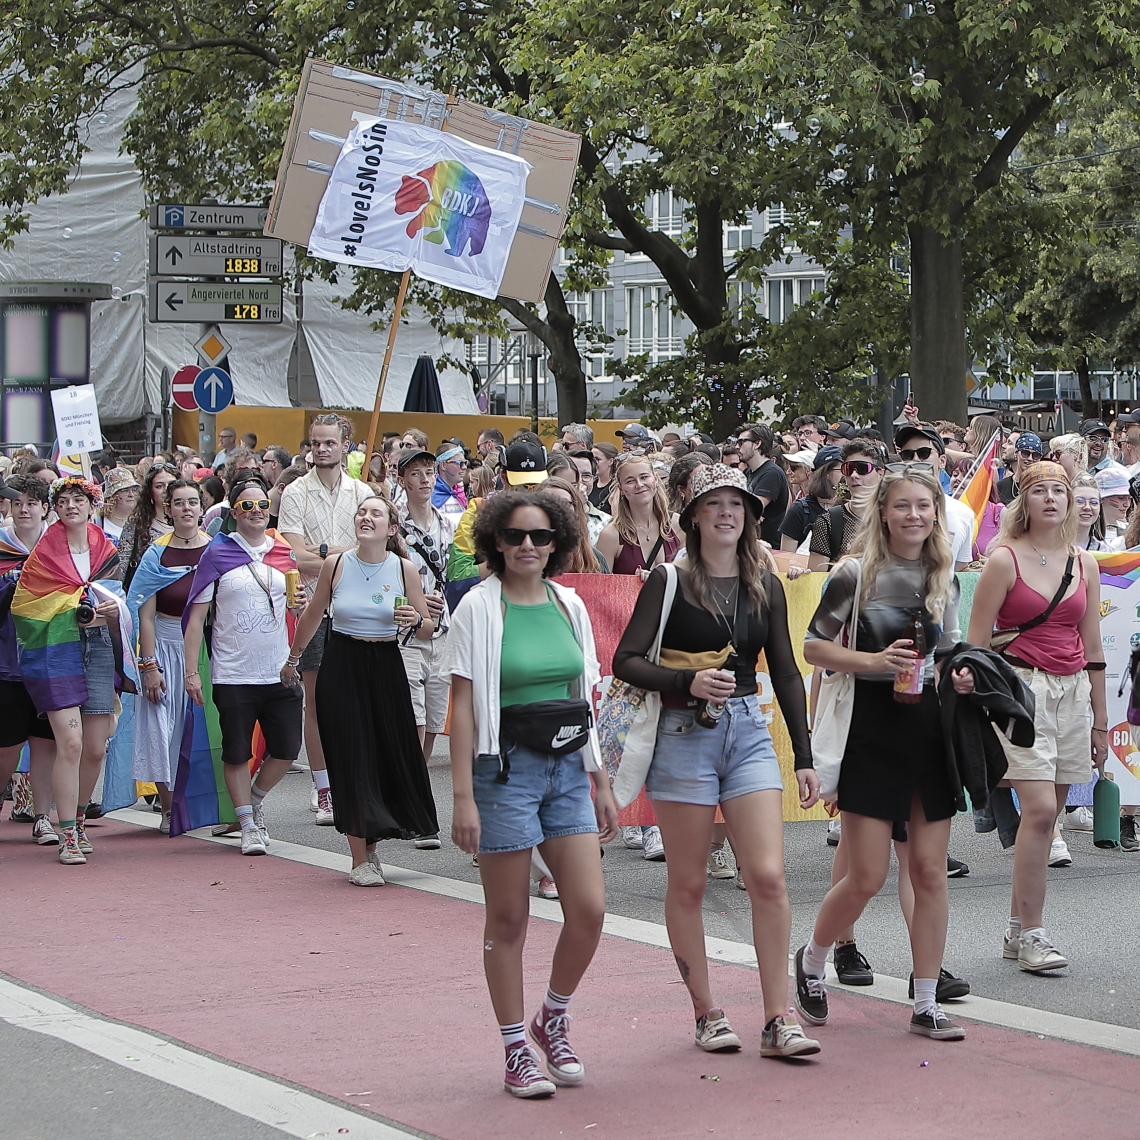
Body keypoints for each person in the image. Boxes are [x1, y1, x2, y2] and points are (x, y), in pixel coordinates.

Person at [612, 463, 822, 1058]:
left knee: (769, 877)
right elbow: (626, 661)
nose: (728, 513)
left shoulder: (766, 582)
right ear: (694, 515)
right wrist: (687, 679)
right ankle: (706, 1012)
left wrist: (803, 757)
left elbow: (785, 668)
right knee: (689, 881)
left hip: (749, 731)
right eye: (715, 503)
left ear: (753, 516)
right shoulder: (668, 579)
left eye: (739, 504)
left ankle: (779, 1018)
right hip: (682, 733)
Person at [448, 490, 618, 1098]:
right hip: (504, 773)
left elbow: (585, 695)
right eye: (517, 535)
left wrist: (599, 780)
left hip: (568, 768)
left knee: (590, 910)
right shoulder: (478, 607)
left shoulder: (568, 603)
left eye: (541, 537)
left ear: (557, 544)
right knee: (510, 916)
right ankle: (515, 1045)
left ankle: (555, 1014)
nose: (528, 546)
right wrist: (462, 796)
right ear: (495, 540)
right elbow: (463, 704)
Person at [797, 465, 970, 1040]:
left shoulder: (945, 573)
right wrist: (875, 662)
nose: (914, 516)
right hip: (869, 733)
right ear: (883, 512)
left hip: (929, 733)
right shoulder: (854, 573)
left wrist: (959, 676)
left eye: (924, 505)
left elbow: (944, 656)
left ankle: (924, 1003)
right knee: (867, 876)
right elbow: (814, 647)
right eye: (903, 506)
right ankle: (814, 960)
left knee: (929, 873)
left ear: (936, 513)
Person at [966, 460, 1107, 972]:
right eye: (1039, 491)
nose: (1051, 498)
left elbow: (1092, 646)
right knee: (1042, 811)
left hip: (1073, 694)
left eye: (1060, 490)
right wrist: (977, 707)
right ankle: (1033, 935)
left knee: (1045, 823)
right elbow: (976, 646)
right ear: (1023, 502)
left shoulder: (1083, 563)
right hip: (1021, 690)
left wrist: (1099, 720)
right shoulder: (1003, 560)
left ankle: (1014, 930)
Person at [282, 496, 438, 885]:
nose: (366, 518)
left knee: (384, 753)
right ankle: (359, 859)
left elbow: (426, 628)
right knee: (351, 755)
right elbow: (313, 613)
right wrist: (293, 658)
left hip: (385, 664)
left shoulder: (404, 569)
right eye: (361, 512)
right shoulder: (336, 564)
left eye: (376, 514)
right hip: (343, 661)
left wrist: (417, 617)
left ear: (391, 528)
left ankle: (373, 843)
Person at [182, 474, 304, 856]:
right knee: (236, 751)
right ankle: (247, 824)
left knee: (286, 747)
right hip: (234, 672)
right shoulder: (218, 554)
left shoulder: (283, 553)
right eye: (247, 506)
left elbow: (296, 607)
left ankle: (252, 800)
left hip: (279, 669)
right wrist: (190, 672)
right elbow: (195, 617)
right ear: (234, 513)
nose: (256, 512)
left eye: (262, 505)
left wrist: (297, 610)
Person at [13, 477, 132, 865]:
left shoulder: (104, 547)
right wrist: (66, 611)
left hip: (97, 649)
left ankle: (79, 820)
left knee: (95, 748)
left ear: (91, 504)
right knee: (71, 743)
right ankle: (65, 832)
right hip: (55, 652)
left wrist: (114, 611)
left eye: (78, 499)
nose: (70, 506)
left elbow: (118, 598)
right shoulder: (44, 552)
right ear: (55, 508)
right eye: (62, 501)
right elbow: (25, 609)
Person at [278, 414, 374, 826]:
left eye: (329, 443)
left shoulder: (362, 491)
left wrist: (324, 552)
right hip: (313, 608)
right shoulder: (296, 492)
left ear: (345, 445)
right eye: (315, 443)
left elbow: (373, 547)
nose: (320, 449)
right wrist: (344, 552)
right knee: (314, 702)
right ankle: (324, 789)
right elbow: (293, 554)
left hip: (358, 607)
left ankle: (355, 781)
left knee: (357, 699)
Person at [129, 480, 210, 834]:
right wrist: (149, 666)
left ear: (201, 507)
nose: (187, 509)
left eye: (193, 502)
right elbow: (144, 615)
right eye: (179, 503)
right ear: (169, 509)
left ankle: (205, 804)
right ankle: (167, 807)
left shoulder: (218, 549)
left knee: (203, 729)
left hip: (207, 650)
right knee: (161, 728)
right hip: (163, 644)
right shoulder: (155, 554)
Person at [0, 474, 56, 846]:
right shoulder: (2, 550)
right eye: (17, 503)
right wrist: (13, 582)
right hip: (6, 664)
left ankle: (42, 817)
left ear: (44, 509)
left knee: (45, 745)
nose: (23, 510)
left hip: (51, 663)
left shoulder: (58, 549)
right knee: (5, 748)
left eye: (31, 503)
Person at [396, 448, 455, 790]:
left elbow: (458, 575)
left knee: (434, 715)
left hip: (443, 629)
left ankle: (415, 774)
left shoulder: (450, 523)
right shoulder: (395, 530)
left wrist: (442, 602)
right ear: (402, 481)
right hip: (407, 633)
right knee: (413, 712)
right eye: (416, 473)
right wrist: (414, 605)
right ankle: (410, 785)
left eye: (429, 472)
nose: (424, 479)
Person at [892, 425, 975, 570]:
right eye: (907, 455)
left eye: (924, 453)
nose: (915, 459)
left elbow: (959, 568)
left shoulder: (963, 513)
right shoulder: (889, 509)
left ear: (942, 461)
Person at [596, 453, 681, 580]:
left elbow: (692, 579)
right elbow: (600, 588)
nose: (639, 484)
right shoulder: (611, 535)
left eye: (644, 477)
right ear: (621, 488)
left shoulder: (678, 524)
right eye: (630, 481)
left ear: (656, 479)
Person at [807, 440, 885, 572]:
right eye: (848, 469)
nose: (854, 475)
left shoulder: (894, 518)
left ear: (880, 473)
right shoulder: (828, 522)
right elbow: (817, 581)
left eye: (862, 468)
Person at [120, 462, 178, 587]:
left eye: (171, 485)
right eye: (159, 486)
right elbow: (121, 570)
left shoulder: (192, 522)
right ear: (150, 492)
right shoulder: (136, 525)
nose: (166, 490)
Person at [780, 446, 842, 553]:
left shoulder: (849, 506)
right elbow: (786, 556)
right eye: (843, 469)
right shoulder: (799, 510)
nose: (850, 474)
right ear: (826, 473)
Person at [736, 424, 789, 546]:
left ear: (757, 444)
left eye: (741, 442)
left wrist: (749, 511)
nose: (737, 447)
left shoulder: (772, 473)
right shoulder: (748, 472)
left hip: (768, 548)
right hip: (751, 544)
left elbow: (753, 507)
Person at [542, 477, 604, 572]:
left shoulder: (595, 559)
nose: (557, 510)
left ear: (576, 509)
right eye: (548, 503)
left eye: (565, 503)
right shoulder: (528, 555)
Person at [996, 431, 1044, 504]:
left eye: (1036, 455)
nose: (1030, 458)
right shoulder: (1001, 486)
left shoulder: (1043, 485)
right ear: (1016, 453)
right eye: (1025, 453)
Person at [1095, 466, 1132, 549]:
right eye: (1121, 498)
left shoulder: (1130, 531)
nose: (1127, 504)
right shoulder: (1087, 531)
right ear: (1102, 498)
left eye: (1129, 498)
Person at [432, 443, 469, 520]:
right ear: (443, 465)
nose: (464, 467)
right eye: (460, 463)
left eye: (465, 463)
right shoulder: (431, 495)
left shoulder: (459, 493)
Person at [1072, 473, 1107, 551]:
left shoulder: (1104, 551)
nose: (1087, 507)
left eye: (1094, 503)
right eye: (1080, 501)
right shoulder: (1051, 545)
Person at [589, 442, 618, 511]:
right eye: (592, 459)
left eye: (597, 459)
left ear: (610, 461)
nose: (593, 463)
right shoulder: (590, 484)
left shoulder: (616, 488)